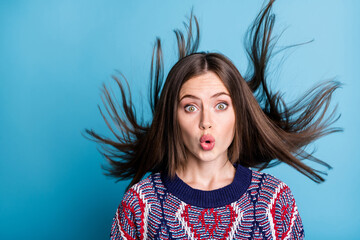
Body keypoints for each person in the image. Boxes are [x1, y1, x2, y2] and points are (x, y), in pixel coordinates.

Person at [85, 0, 341, 239]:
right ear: (172, 119)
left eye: (220, 105)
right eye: (190, 107)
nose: (206, 121)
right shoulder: (140, 205)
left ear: (239, 115)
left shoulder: (275, 201)